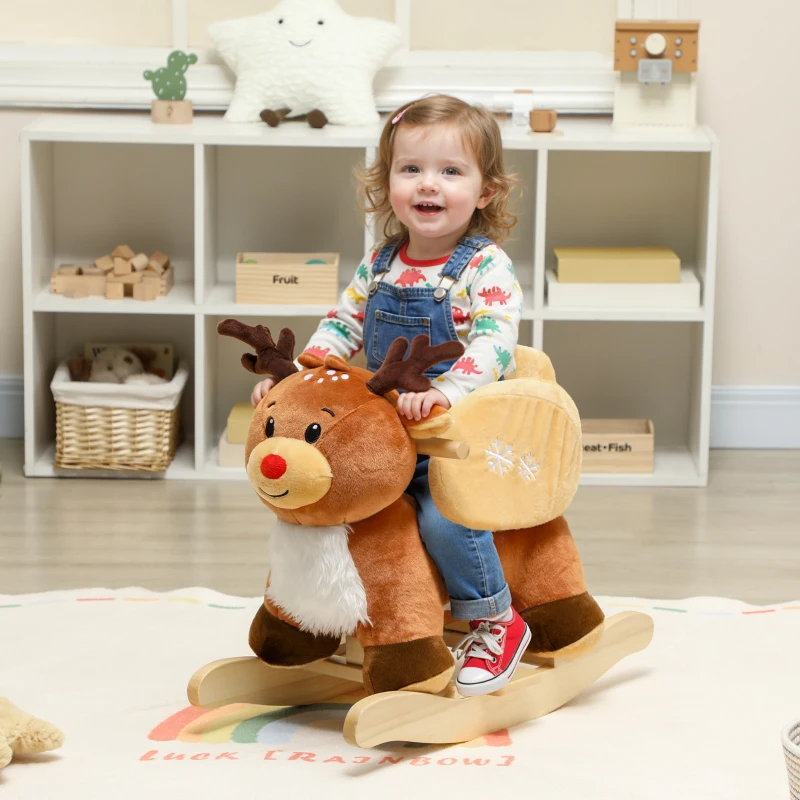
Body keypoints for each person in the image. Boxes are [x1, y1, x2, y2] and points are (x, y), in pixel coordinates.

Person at [251, 94, 530, 696]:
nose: (429, 183)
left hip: (454, 438)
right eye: (411, 168)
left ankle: (496, 619)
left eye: (450, 171)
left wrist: (447, 391)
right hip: (383, 436)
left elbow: (496, 341)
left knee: (444, 519)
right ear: (387, 183)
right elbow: (342, 326)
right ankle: (326, 612)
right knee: (332, 507)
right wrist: (299, 377)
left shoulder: (485, 267)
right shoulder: (379, 263)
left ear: (485, 191)